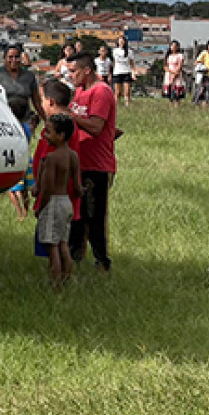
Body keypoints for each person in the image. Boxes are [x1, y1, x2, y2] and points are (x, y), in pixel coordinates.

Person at [66, 53, 117, 272]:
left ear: (87, 70)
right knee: (77, 216)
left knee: (94, 217)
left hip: (96, 165)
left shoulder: (101, 92)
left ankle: (101, 261)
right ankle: (75, 257)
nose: (70, 76)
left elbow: (96, 127)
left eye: (74, 71)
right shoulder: (79, 92)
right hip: (79, 161)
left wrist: (69, 116)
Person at [0, 44, 41, 217]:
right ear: (4, 58)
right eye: (10, 57)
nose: (13, 61)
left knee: (23, 158)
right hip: (5, 123)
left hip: (24, 120)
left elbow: (36, 101)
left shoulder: (29, 76)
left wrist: (45, 119)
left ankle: (24, 199)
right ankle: (12, 193)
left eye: (16, 57)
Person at [32, 113, 80, 287]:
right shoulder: (73, 156)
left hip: (52, 203)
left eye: (49, 132)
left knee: (52, 247)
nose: (45, 135)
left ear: (60, 136)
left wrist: (40, 207)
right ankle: (68, 278)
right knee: (63, 244)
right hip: (66, 202)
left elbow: (48, 188)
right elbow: (77, 186)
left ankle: (56, 283)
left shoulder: (52, 159)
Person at [110, 39, 133, 105]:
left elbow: (131, 63)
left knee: (127, 91)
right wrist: (111, 72)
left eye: (122, 42)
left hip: (126, 72)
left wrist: (134, 72)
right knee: (118, 92)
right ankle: (116, 105)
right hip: (117, 72)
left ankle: (127, 104)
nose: (121, 43)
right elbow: (113, 61)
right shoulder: (115, 51)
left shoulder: (129, 52)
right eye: (120, 42)